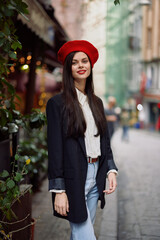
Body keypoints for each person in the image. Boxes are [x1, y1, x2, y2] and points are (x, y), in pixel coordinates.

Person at [46, 40, 118, 240]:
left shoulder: (97, 103)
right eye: (75, 62)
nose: (80, 66)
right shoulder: (57, 104)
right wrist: (59, 189)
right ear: (68, 68)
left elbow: (105, 141)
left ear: (90, 65)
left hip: (96, 176)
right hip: (73, 177)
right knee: (85, 235)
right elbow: (55, 149)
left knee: (80, 234)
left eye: (84, 61)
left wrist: (111, 169)